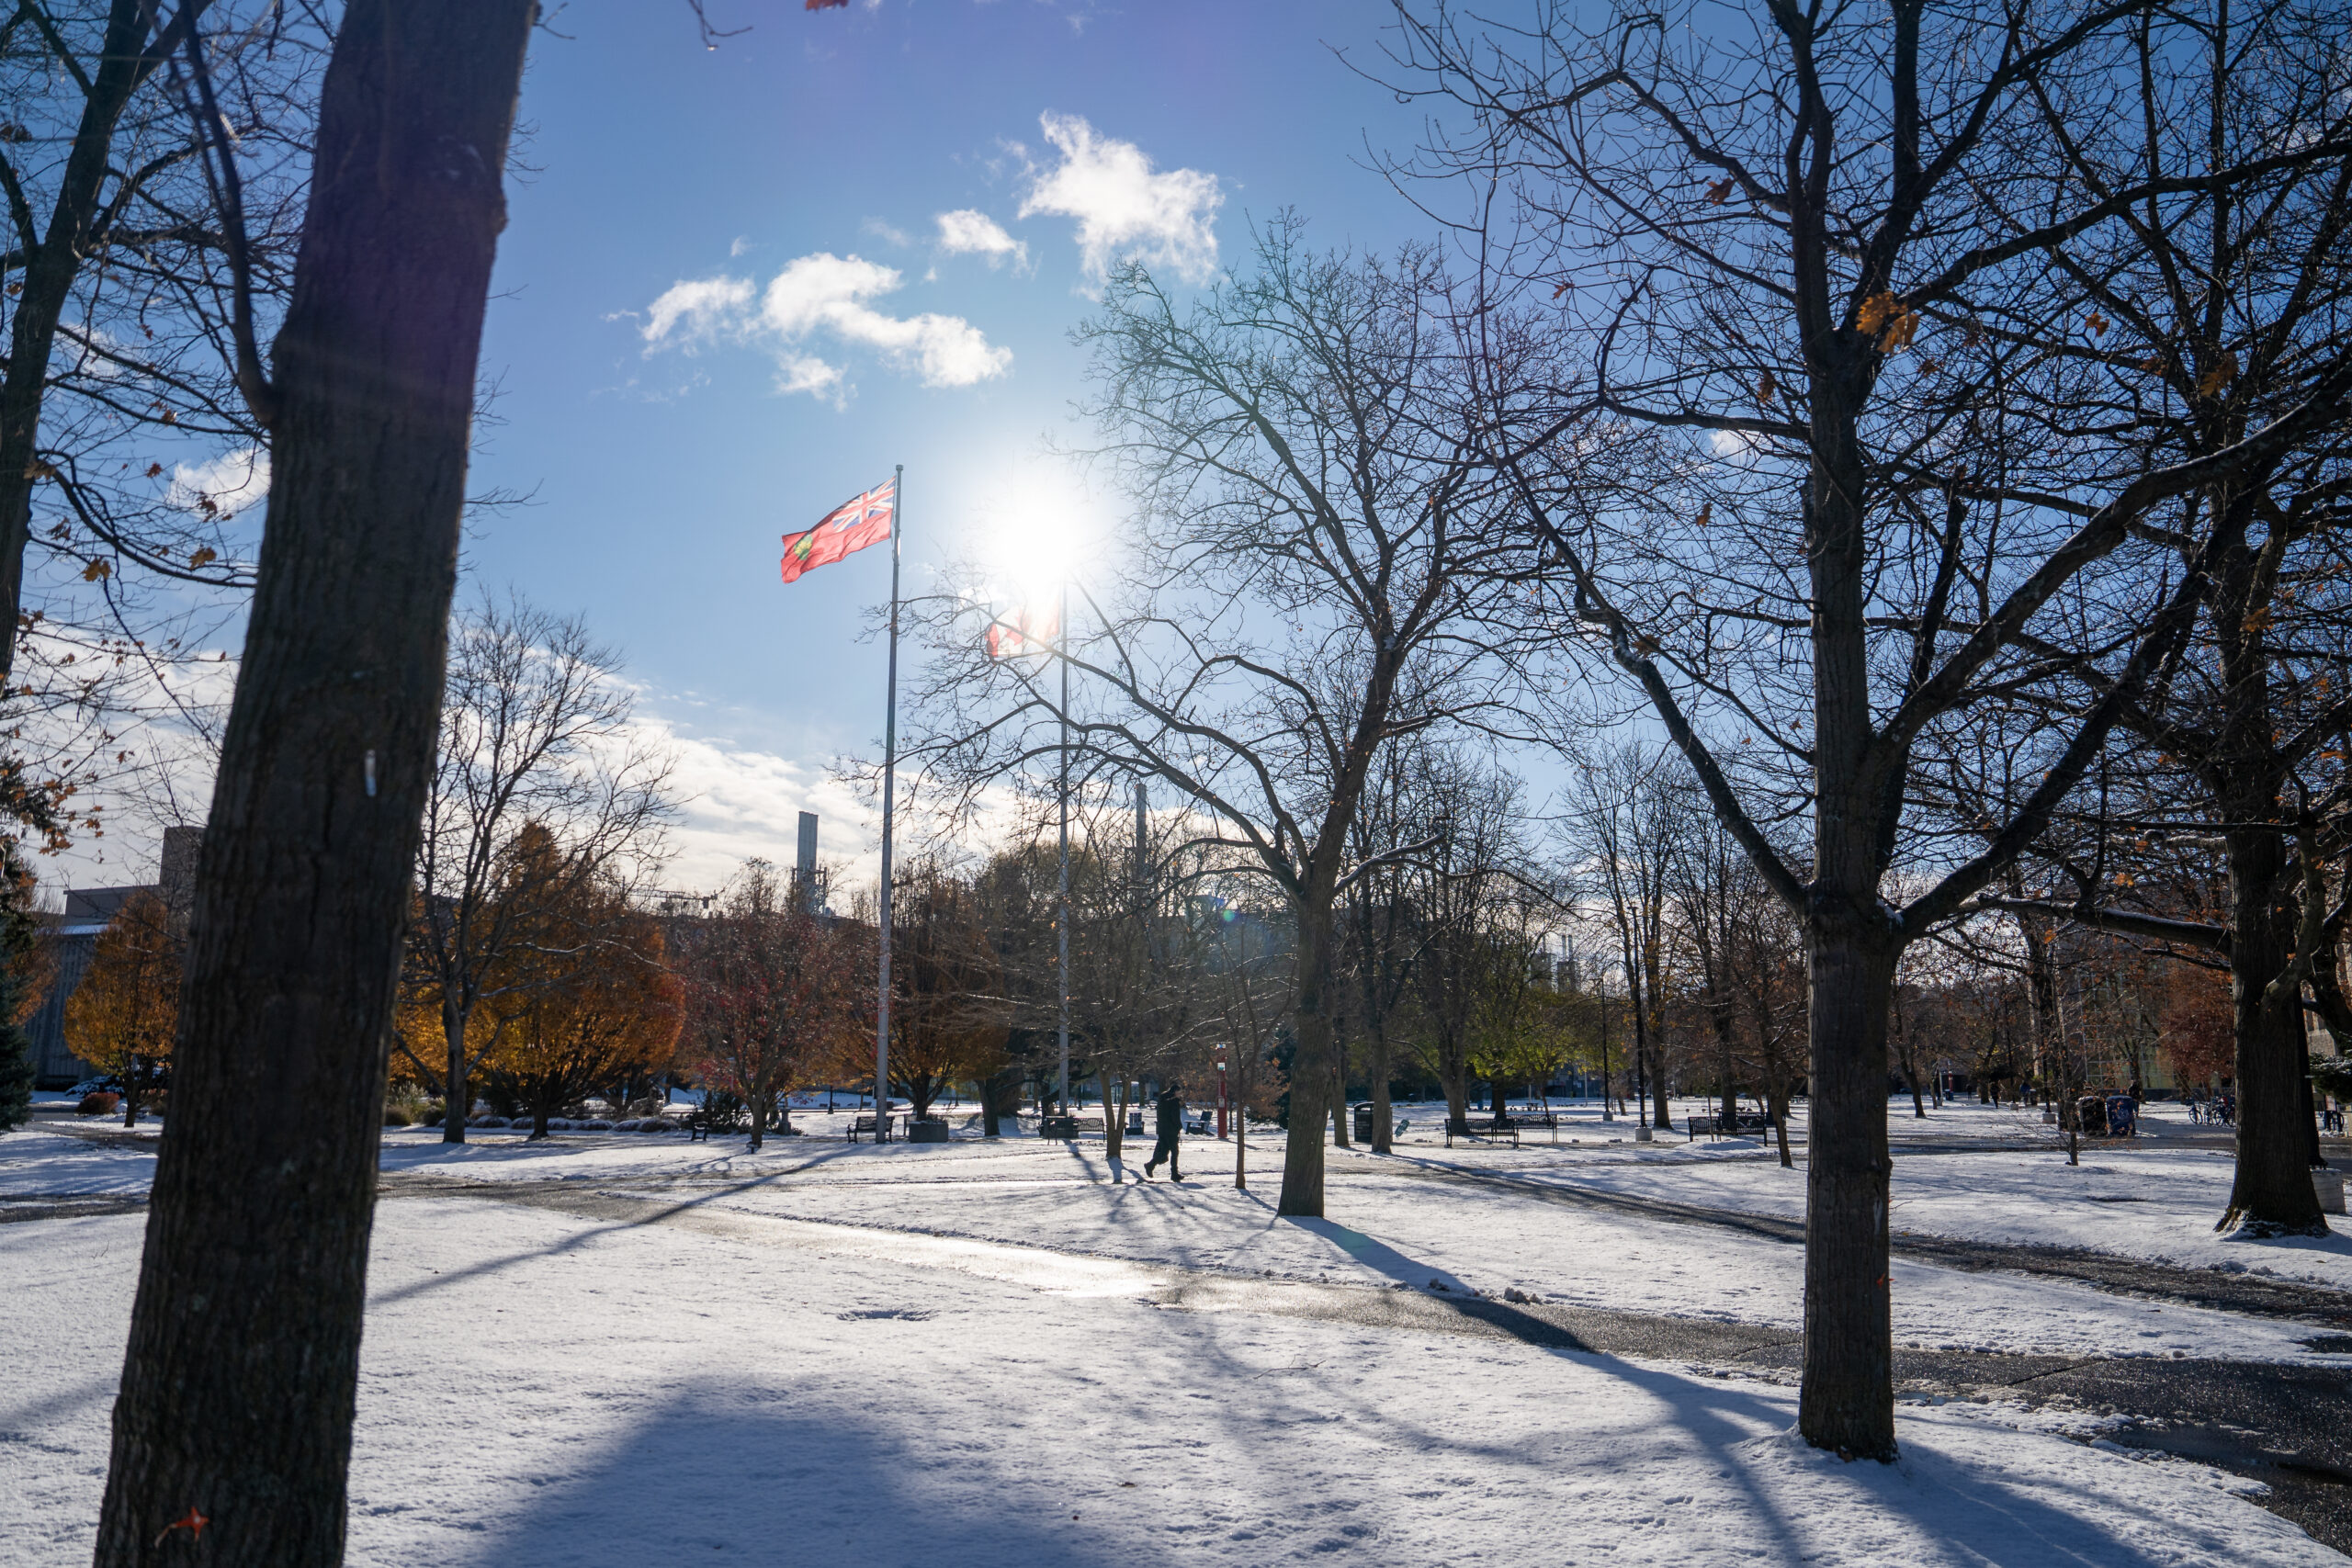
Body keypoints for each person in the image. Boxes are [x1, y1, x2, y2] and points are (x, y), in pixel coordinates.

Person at [1143, 1079, 1183, 1182]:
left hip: (1161, 1129)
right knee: (1175, 1151)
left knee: (1164, 1150)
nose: (1180, 1094)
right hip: (1171, 1130)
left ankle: (1150, 1165)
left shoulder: (1162, 1099)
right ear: (1175, 1092)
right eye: (1179, 1092)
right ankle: (1174, 1173)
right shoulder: (1174, 1102)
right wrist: (1179, 1127)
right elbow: (1175, 1118)